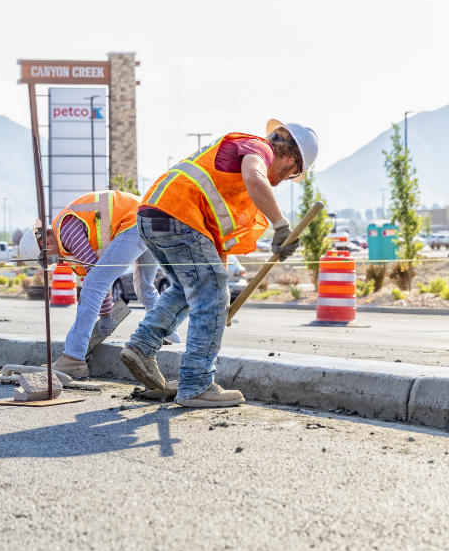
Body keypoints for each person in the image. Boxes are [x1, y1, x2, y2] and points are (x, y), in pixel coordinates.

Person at [120, 119, 318, 408]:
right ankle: (197, 384)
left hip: (154, 216)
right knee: (205, 292)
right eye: (292, 174)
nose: (284, 179)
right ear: (291, 159)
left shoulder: (228, 173)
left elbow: (216, 243)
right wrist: (281, 225)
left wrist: (218, 298)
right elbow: (255, 177)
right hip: (179, 216)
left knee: (186, 290)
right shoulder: (258, 148)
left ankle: (141, 346)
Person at [18, 189, 181, 380]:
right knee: (144, 287)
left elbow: (95, 277)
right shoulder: (66, 230)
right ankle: (172, 339)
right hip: (150, 219)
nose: (52, 260)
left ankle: (73, 358)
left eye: (46, 259)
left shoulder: (66, 230)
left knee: (94, 285)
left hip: (133, 223)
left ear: (45, 243)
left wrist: (105, 315)